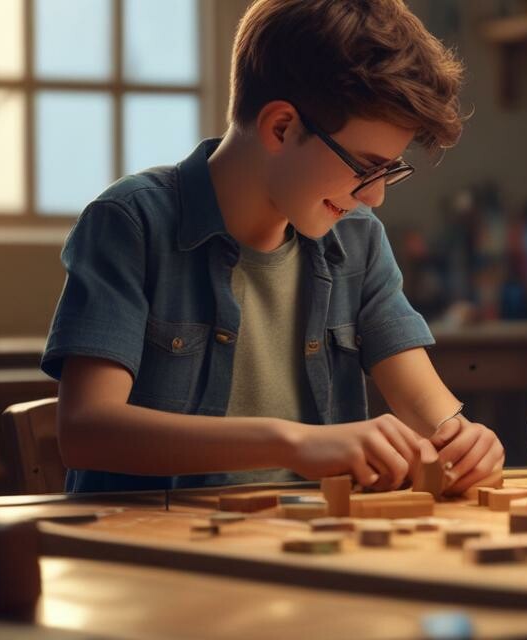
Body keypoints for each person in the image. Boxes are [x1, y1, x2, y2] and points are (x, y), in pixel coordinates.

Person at [42, 0, 503, 495]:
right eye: (366, 167)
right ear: (281, 127)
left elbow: (427, 404)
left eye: (388, 170)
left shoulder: (358, 238)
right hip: (149, 552)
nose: (374, 195)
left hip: (310, 548)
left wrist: (463, 438)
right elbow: (87, 432)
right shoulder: (130, 223)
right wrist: (291, 443)